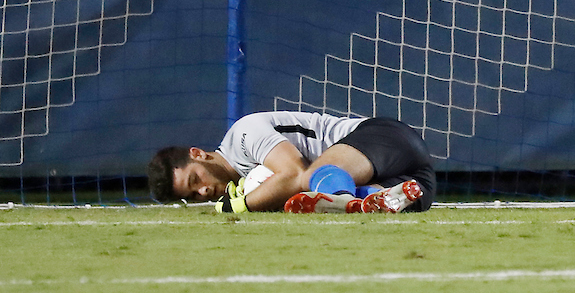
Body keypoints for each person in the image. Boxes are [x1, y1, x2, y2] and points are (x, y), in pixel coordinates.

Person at [147, 111, 436, 214]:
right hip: (417, 182)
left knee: (311, 177)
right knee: (378, 200)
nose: (203, 192)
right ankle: (369, 199)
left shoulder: (244, 134)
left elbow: (295, 173)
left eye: (195, 180)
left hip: (385, 138)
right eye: (193, 196)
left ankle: (342, 201)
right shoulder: (244, 182)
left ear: (198, 154)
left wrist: (242, 205)